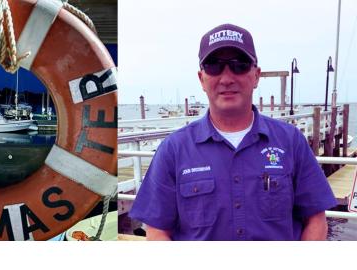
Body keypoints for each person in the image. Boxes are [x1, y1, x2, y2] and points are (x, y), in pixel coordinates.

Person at [129, 23, 337, 240]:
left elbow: (315, 218)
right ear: (202, 78)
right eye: (213, 66)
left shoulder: (291, 141)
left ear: (256, 76)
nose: (227, 78)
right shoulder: (173, 150)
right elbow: (157, 231)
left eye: (239, 65)